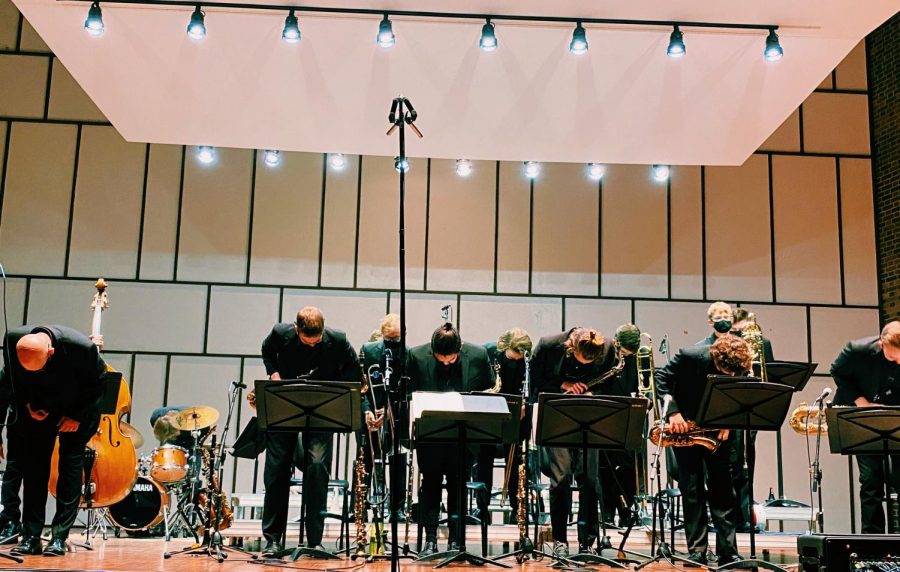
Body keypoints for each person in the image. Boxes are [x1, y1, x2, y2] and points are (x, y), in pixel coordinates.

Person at [247, 307, 365, 557]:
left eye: (317, 341)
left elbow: (354, 372)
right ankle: (272, 540)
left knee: (317, 469)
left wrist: (336, 393)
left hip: (321, 411)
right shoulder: (280, 333)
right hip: (285, 406)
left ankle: (315, 540)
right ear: (296, 329)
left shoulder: (339, 340)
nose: (312, 346)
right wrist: (274, 374)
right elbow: (267, 351)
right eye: (306, 341)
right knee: (276, 471)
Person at [0, 326, 105, 556]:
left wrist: (76, 416)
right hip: (37, 408)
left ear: (50, 353)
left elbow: (97, 386)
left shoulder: (81, 348)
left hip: (76, 411)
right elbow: (11, 381)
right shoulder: (13, 341)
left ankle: (59, 537)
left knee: (69, 469)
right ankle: (31, 536)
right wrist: (28, 405)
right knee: (34, 471)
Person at [655, 334, 747, 565]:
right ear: (715, 357)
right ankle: (697, 550)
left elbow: (741, 395)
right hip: (686, 428)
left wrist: (729, 420)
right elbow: (661, 379)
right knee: (692, 489)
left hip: (720, 430)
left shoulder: (741, 365)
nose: (729, 377)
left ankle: (728, 550)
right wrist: (673, 413)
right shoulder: (690, 356)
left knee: (724, 490)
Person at [531, 326, 617, 558]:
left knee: (589, 481)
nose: (587, 365)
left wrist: (593, 393)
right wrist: (564, 385)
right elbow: (535, 382)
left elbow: (610, 384)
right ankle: (560, 540)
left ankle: (587, 543)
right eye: (582, 359)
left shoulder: (607, 348)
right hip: (557, 415)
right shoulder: (549, 345)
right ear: (571, 348)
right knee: (560, 480)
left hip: (590, 415)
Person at [407, 323, 492, 556]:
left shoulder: (478, 355)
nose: (445, 363)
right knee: (430, 485)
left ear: (460, 348)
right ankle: (430, 540)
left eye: (451, 359)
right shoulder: (415, 355)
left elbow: (489, 389)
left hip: (463, 436)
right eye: (440, 359)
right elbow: (408, 392)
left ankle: (457, 540)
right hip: (430, 434)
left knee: (458, 486)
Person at [831, 320, 900, 534]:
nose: (898, 362)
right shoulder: (857, 350)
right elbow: (837, 372)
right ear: (881, 345)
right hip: (866, 418)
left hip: (896, 417)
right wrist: (862, 402)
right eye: (892, 357)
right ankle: (873, 539)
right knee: (871, 481)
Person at [474, 328, 533, 522]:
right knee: (484, 458)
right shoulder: (488, 353)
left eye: (519, 358)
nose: (515, 361)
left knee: (516, 460)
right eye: (512, 357)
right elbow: (476, 382)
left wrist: (527, 404)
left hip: (517, 414)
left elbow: (534, 385)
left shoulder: (527, 359)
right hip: (489, 413)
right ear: (504, 346)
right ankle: (481, 508)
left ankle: (518, 509)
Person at [727, 307, 775, 532]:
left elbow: (769, 372)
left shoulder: (762, 343)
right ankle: (731, 515)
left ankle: (743, 515)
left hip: (751, 407)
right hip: (729, 405)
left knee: (746, 463)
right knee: (732, 464)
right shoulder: (726, 341)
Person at [599, 324, 641, 528]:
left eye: (628, 353)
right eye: (622, 351)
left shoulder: (638, 359)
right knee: (605, 467)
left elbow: (640, 386)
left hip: (627, 417)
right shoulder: (604, 354)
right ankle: (606, 512)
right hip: (605, 416)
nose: (624, 355)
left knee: (625, 467)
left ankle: (627, 511)